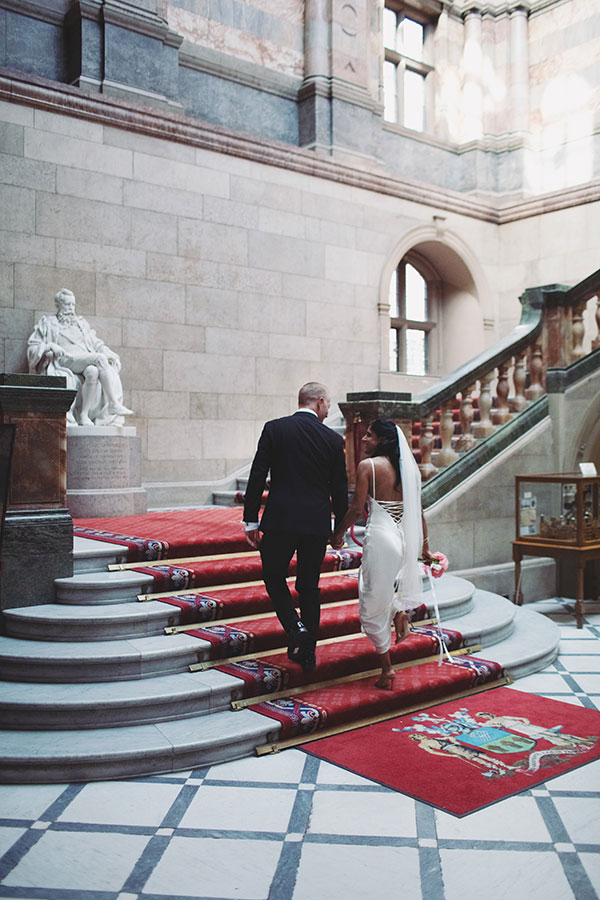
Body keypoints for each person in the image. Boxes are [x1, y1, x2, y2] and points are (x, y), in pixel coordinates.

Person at [243, 382, 348, 669]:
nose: (328, 410)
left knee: (274, 578)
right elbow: (339, 490)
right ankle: (308, 652)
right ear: (319, 402)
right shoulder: (331, 439)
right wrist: (339, 530)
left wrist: (250, 519)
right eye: (328, 404)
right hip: (315, 524)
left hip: (280, 520)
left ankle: (295, 628)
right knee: (309, 587)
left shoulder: (275, 429)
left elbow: (256, 476)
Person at [332, 418, 431, 689]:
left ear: (384, 440)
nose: (363, 440)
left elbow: (355, 509)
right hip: (405, 539)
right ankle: (399, 614)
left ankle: (387, 670)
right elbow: (418, 512)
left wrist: (337, 534)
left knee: (370, 601)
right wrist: (424, 547)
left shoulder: (368, 467)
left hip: (382, 538)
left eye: (370, 436)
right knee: (381, 593)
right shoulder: (409, 472)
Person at [27, 288, 133, 426]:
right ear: (58, 305)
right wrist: (50, 346)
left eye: (73, 305)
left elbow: (96, 343)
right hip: (64, 359)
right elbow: (33, 346)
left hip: (83, 359)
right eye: (67, 304)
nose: (71, 308)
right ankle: (113, 403)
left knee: (93, 371)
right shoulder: (48, 322)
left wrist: (108, 352)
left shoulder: (81, 324)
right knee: (100, 359)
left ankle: (84, 415)